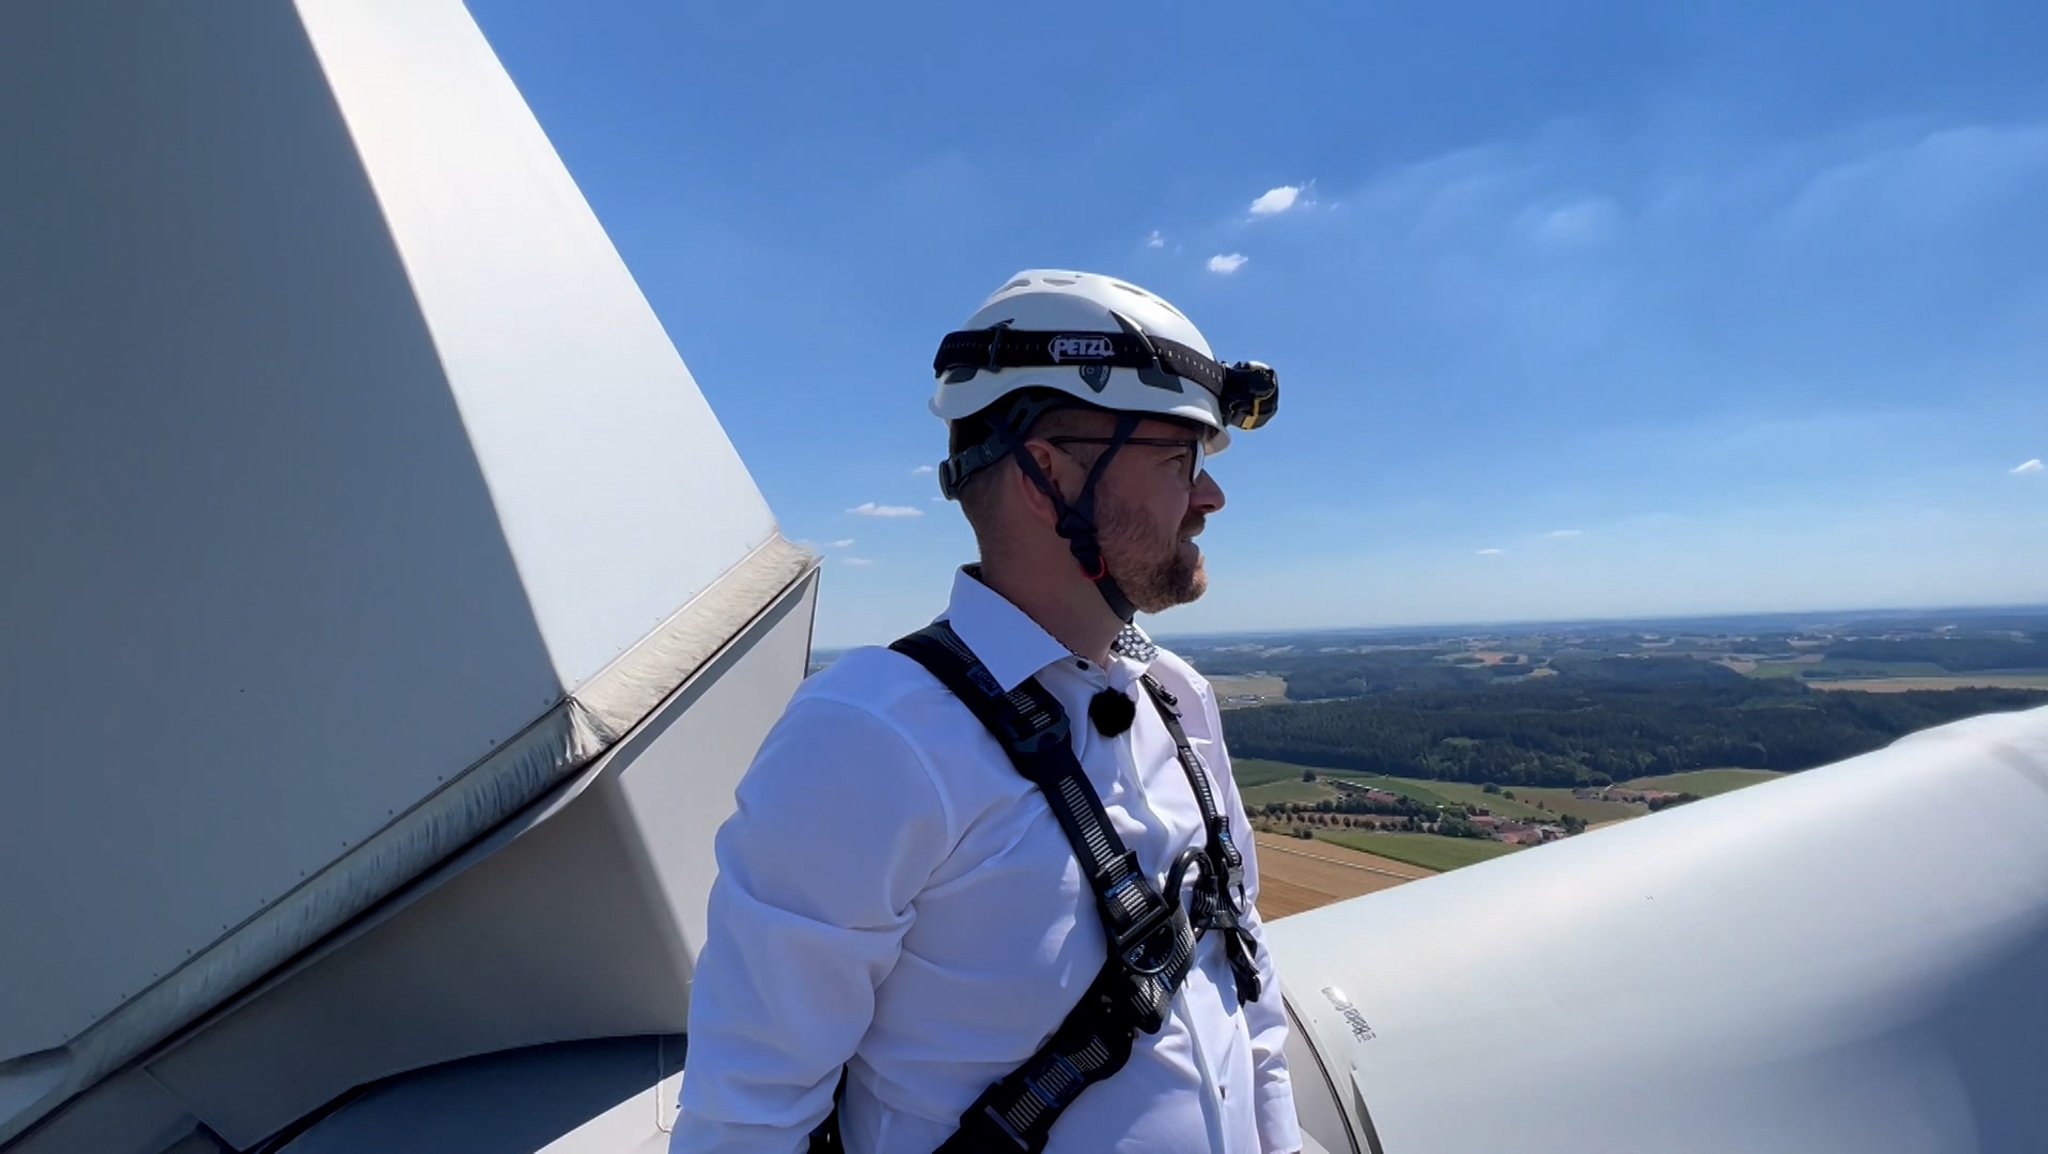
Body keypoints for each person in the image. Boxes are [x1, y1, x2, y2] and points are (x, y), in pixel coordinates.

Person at [671, 270, 1300, 1153]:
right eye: (1180, 458)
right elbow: (745, 1119)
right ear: (1050, 469)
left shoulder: (1181, 702)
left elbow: (1250, 1010)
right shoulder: (870, 737)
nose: (1211, 497)